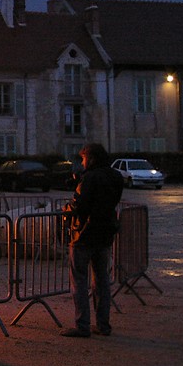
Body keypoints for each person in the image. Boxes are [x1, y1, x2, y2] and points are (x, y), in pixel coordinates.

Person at [61, 142, 124, 338]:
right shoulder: (115, 176)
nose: (82, 162)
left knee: (79, 281)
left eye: (84, 158)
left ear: (92, 158)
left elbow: (80, 205)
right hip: (105, 233)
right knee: (102, 281)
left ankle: (83, 325)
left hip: (85, 235)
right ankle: (103, 324)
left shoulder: (90, 178)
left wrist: (66, 209)